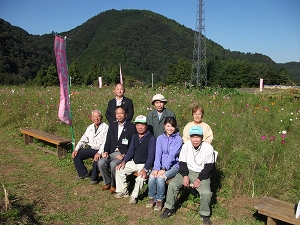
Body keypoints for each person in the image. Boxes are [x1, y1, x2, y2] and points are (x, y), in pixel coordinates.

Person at [160, 126, 215, 225]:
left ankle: (204, 214)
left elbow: (209, 166)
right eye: (193, 137)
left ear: (201, 137)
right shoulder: (186, 146)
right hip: (187, 171)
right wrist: (185, 175)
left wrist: (199, 179)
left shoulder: (208, 148)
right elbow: (182, 162)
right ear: (190, 137)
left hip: (202, 173)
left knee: (206, 192)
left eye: (197, 137)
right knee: (173, 185)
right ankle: (169, 208)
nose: (195, 139)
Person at [91, 106, 136, 193]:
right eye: (117, 113)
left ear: (126, 115)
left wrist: (124, 155)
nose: (119, 115)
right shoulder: (112, 126)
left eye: (121, 113)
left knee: (113, 164)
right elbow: (108, 141)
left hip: (123, 154)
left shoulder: (131, 127)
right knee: (100, 162)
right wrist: (106, 151)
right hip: (112, 152)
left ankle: (114, 184)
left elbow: (132, 145)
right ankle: (107, 182)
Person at [114, 115, 156, 204]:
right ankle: (123, 191)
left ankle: (134, 196)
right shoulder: (134, 136)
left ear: (146, 126)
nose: (139, 127)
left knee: (141, 178)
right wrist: (124, 161)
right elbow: (131, 151)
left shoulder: (151, 138)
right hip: (134, 162)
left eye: (142, 125)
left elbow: (151, 156)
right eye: (137, 125)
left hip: (145, 164)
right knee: (119, 169)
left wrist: (145, 169)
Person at [146, 117, 182, 211]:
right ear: (164, 126)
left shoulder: (178, 139)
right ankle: (151, 198)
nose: (170, 129)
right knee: (152, 176)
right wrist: (156, 168)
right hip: (160, 165)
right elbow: (158, 154)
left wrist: (164, 168)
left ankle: (160, 200)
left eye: (173, 126)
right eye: (168, 126)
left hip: (174, 166)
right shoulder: (160, 138)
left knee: (161, 178)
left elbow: (172, 155)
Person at [72, 109, 109, 179]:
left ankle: (94, 178)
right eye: (94, 116)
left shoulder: (106, 127)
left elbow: (105, 142)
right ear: (92, 118)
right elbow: (83, 139)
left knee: (96, 160)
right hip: (91, 148)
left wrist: (99, 153)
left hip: (101, 150)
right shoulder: (90, 128)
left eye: (98, 116)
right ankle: (83, 173)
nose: (96, 118)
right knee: (77, 155)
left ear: (101, 117)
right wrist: (76, 149)